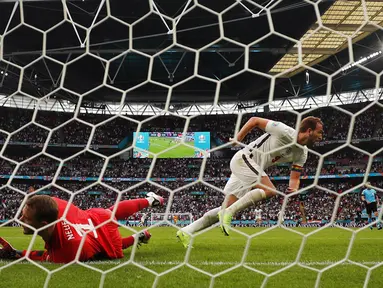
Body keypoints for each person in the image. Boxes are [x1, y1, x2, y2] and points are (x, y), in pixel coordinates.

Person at [177, 116, 323, 247]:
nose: (321, 137)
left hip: (250, 168)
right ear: (309, 131)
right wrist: (238, 139)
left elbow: (294, 178)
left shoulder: (302, 153)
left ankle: (186, 231)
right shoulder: (284, 131)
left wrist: (293, 190)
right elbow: (255, 120)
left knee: (225, 207)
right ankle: (229, 213)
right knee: (270, 190)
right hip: (244, 159)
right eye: (319, 132)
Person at [0, 192, 164, 263]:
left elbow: (43, 256)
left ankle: (136, 238)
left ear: (43, 224)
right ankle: (150, 200)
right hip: (96, 216)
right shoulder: (54, 204)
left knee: (104, 251)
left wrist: (18, 253)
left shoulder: (68, 251)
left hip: (102, 238)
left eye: (25, 218)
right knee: (111, 212)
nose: (19, 219)